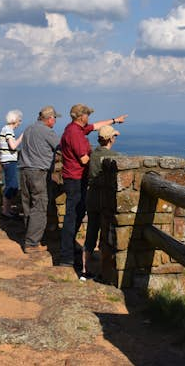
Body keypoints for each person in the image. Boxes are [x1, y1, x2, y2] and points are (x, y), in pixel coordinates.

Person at [58, 103, 127, 267]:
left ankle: (70, 249)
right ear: (82, 116)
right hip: (75, 178)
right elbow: (84, 159)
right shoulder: (75, 133)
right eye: (87, 115)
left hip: (74, 177)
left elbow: (95, 127)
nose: (89, 117)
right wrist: (99, 161)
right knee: (72, 216)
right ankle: (66, 257)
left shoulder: (76, 128)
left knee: (78, 213)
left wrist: (114, 121)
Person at [17, 105, 61, 254]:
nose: (55, 121)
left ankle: (28, 234)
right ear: (49, 119)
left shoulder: (29, 128)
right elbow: (61, 147)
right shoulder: (47, 132)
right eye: (54, 118)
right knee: (40, 206)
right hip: (39, 172)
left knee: (27, 204)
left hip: (24, 170)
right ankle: (31, 243)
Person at [82, 124, 121, 278]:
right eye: (114, 136)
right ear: (111, 139)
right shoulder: (114, 157)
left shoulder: (93, 154)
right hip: (104, 200)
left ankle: (85, 270)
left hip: (91, 197)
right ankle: (105, 271)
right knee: (106, 234)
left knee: (91, 231)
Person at [0, 109, 23, 219]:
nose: (20, 123)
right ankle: (6, 211)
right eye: (19, 120)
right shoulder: (8, 130)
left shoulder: (6, 129)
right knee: (12, 186)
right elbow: (13, 146)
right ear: (15, 120)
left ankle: (7, 210)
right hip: (9, 161)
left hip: (7, 161)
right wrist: (22, 137)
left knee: (10, 185)